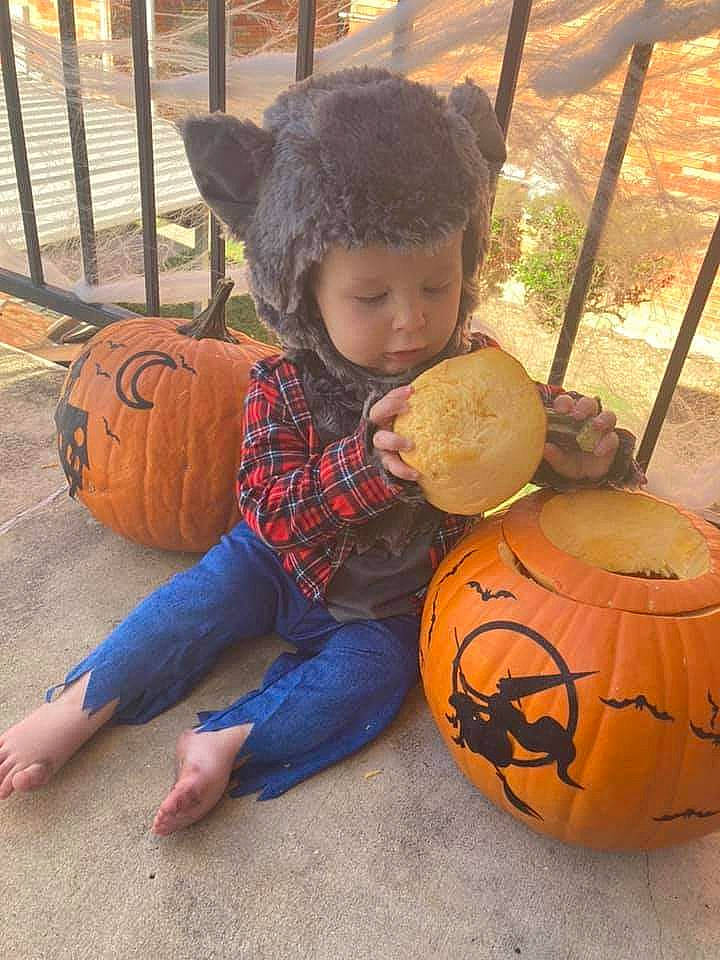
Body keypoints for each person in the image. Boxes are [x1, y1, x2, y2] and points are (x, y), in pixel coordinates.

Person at [0, 67, 641, 835]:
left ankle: (227, 739)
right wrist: (370, 468)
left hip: (391, 602)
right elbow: (269, 508)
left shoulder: (479, 373)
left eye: (437, 285)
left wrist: (585, 460)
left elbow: (529, 451)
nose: (412, 320)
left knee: (375, 680)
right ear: (304, 291)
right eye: (371, 298)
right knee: (188, 606)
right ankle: (80, 704)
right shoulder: (281, 382)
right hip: (274, 561)